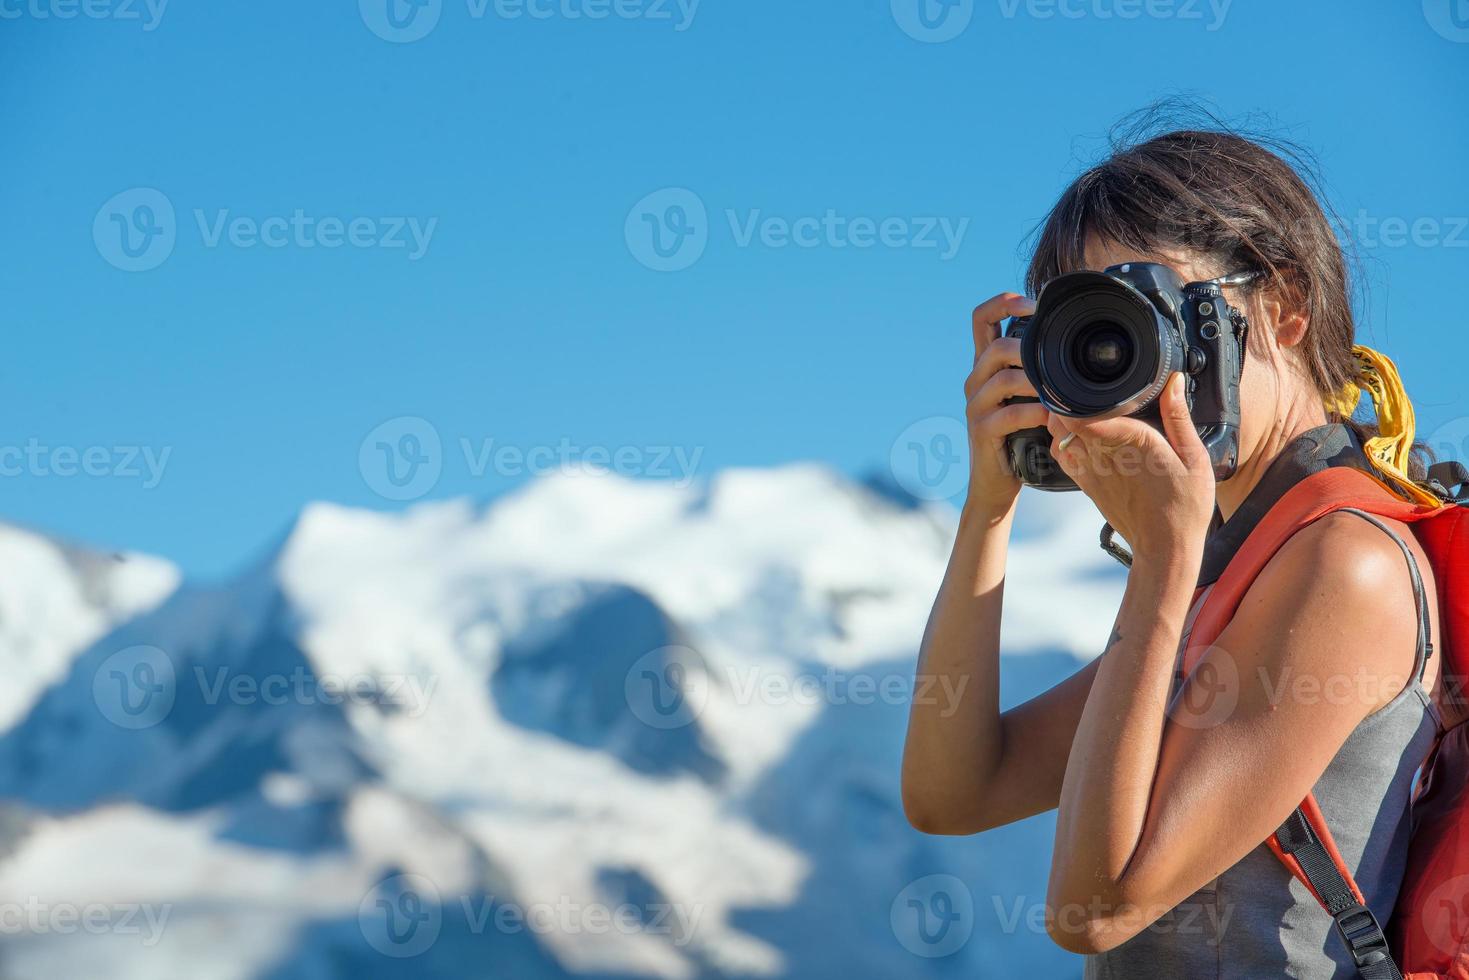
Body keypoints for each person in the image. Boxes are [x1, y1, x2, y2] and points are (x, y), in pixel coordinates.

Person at [899, 120, 1451, 977]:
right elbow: (953, 793)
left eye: (1157, 309)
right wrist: (989, 504)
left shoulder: (1345, 563)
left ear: (1284, 306)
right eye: (1097, 324)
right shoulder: (1238, 567)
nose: (1132, 363)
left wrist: (1164, 555)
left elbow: (1095, 909)